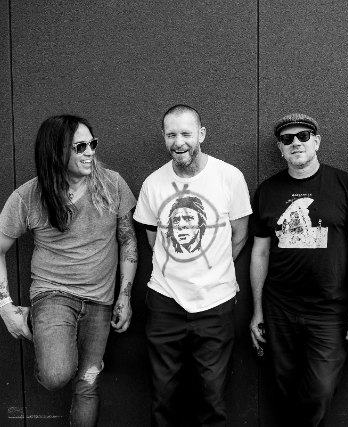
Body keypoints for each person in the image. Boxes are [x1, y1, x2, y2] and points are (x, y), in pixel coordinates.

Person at [0, 114, 138, 427]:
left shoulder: (113, 184)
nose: (90, 152)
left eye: (92, 144)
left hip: (101, 301)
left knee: (88, 383)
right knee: (56, 375)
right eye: (80, 147)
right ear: (56, 151)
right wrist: (6, 309)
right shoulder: (29, 196)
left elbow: (128, 241)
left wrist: (125, 295)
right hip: (53, 294)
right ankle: (39, 326)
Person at [249, 113, 348, 427]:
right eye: (287, 139)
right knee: (285, 391)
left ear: (316, 142)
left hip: (329, 310)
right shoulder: (267, 190)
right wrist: (258, 311)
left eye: (303, 136)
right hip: (280, 308)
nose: (296, 143)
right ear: (280, 148)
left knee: (319, 391)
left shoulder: (346, 185)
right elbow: (260, 253)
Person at [134, 104, 251, 427]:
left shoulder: (229, 177)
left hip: (215, 302)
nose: (179, 142)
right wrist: (182, 265)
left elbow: (239, 235)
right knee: (163, 399)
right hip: (165, 302)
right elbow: (153, 238)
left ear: (201, 134)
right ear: (163, 137)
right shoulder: (153, 184)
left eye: (186, 133)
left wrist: (213, 269)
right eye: (171, 134)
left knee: (212, 400)